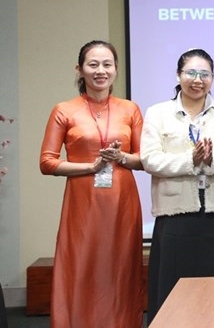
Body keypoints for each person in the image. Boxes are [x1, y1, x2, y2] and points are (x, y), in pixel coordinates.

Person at [39, 40, 144, 328]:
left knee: (121, 268)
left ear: (116, 69)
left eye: (107, 64)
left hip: (122, 201)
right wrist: (91, 166)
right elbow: (47, 162)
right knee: (81, 265)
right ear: (80, 69)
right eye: (93, 64)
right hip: (82, 202)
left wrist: (121, 157)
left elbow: (145, 159)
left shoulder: (130, 109)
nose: (101, 71)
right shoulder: (64, 109)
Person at [141, 48, 214, 323]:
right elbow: (150, 159)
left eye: (205, 74)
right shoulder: (158, 113)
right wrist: (190, 160)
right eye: (191, 72)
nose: (197, 79)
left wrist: (211, 161)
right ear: (178, 75)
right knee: (174, 299)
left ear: (213, 78)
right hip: (177, 218)